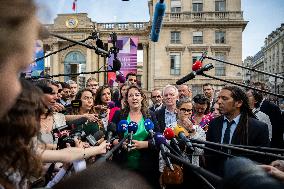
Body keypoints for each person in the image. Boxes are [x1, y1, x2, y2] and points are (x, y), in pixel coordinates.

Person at [205, 85, 270, 176]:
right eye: (218, 98)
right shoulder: (214, 124)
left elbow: (262, 160)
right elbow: (208, 154)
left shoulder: (258, 128)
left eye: (224, 98)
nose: (219, 102)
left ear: (238, 103)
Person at [111, 85, 160, 187]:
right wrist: (120, 143)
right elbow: (111, 136)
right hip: (122, 165)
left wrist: (145, 144)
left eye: (137, 95)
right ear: (126, 99)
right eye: (130, 95)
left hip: (146, 165)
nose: (134, 98)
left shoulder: (150, 115)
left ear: (142, 98)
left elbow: (158, 137)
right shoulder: (119, 114)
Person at [253, 82, 284, 148]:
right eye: (254, 91)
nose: (256, 93)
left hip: (271, 146)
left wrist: (277, 149)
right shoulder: (252, 107)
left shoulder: (272, 107)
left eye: (258, 91)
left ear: (263, 92)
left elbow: (278, 129)